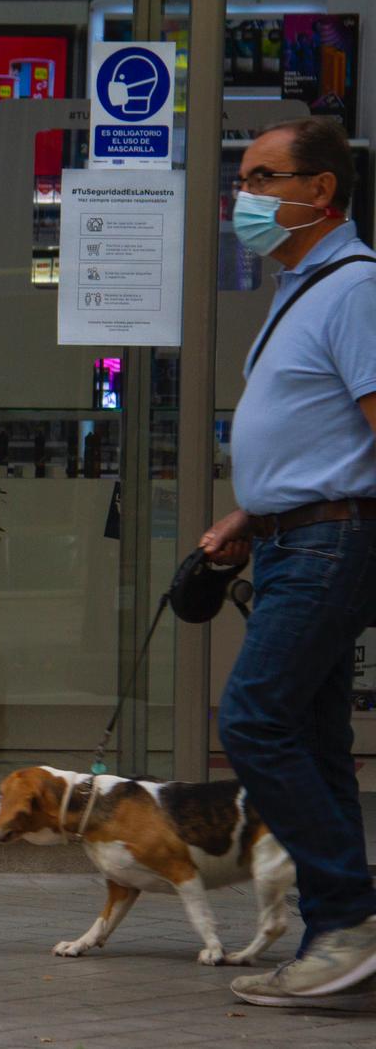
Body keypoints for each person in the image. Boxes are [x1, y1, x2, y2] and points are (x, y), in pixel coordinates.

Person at [201, 118, 376, 1008]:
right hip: (292, 534)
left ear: (320, 193)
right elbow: (324, 430)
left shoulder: (356, 289)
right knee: (309, 735)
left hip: (330, 540)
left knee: (254, 718)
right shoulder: (303, 286)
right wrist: (248, 513)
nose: (247, 196)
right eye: (245, 177)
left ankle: (348, 917)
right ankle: (344, 950)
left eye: (265, 178)